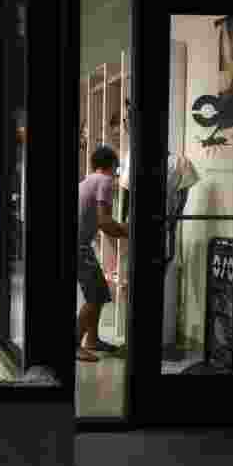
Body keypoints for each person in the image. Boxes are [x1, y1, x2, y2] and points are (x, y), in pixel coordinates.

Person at [77, 144, 128, 362]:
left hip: (80, 244)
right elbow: (105, 222)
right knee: (96, 294)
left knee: (99, 293)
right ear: (113, 166)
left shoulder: (88, 180)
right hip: (79, 246)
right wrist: (129, 230)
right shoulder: (105, 182)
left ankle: (92, 339)